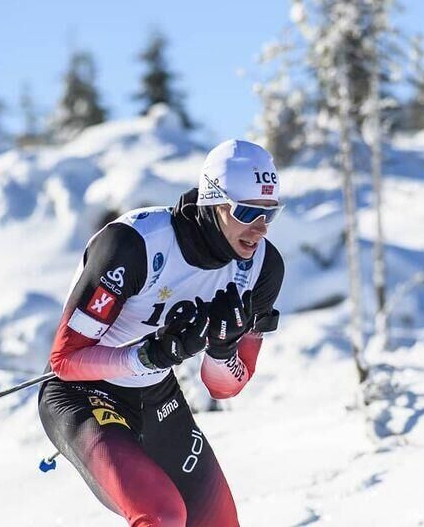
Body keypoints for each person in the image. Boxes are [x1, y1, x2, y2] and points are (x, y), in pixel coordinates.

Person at [38, 139, 285, 527]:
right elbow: (64, 361)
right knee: (163, 516)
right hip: (84, 393)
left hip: (157, 396)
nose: (260, 228)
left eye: (270, 213)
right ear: (215, 203)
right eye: (248, 211)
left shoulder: (262, 268)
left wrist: (221, 351)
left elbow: (225, 388)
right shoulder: (135, 245)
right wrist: (143, 357)